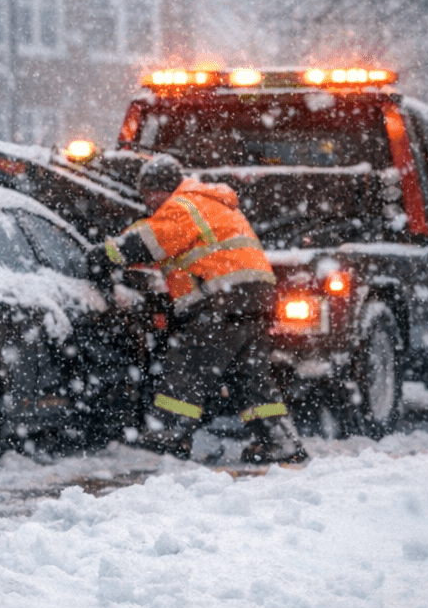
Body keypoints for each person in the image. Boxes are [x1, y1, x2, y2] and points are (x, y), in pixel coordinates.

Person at [96, 153, 308, 465]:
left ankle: (167, 437)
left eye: (150, 193)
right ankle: (281, 444)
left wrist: (105, 253)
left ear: (163, 188)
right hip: (255, 297)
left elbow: (148, 242)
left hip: (221, 298)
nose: (148, 200)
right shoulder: (210, 204)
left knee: (187, 368)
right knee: (249, 377)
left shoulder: (181, 206)